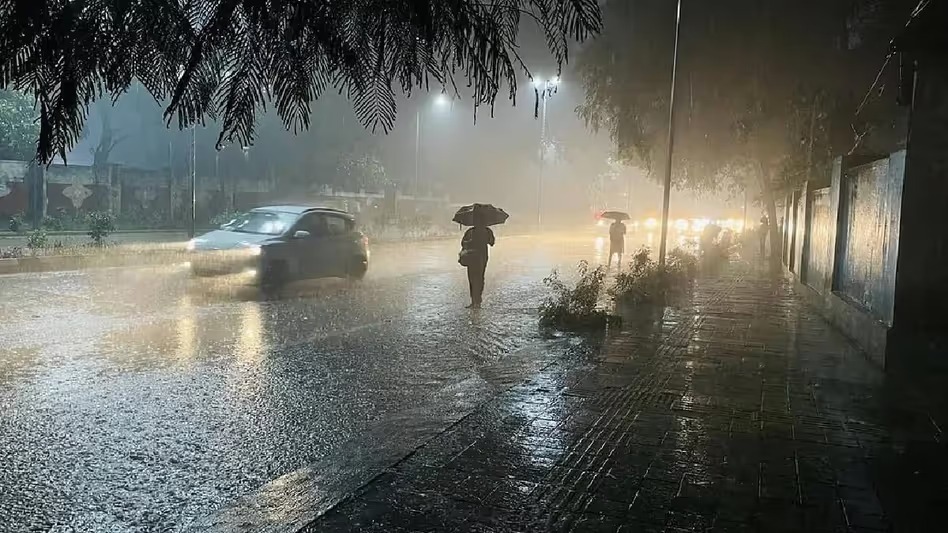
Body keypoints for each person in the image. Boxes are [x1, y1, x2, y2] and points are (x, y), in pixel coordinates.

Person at [461, 215, 495, 308]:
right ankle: (477, 300)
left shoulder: (470, 231)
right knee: (479, 278)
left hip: (472, 257)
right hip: (481, 257)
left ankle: (475, 301)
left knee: (472, 278)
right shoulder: (487, 231)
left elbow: (463, 243)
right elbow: (492, 243)